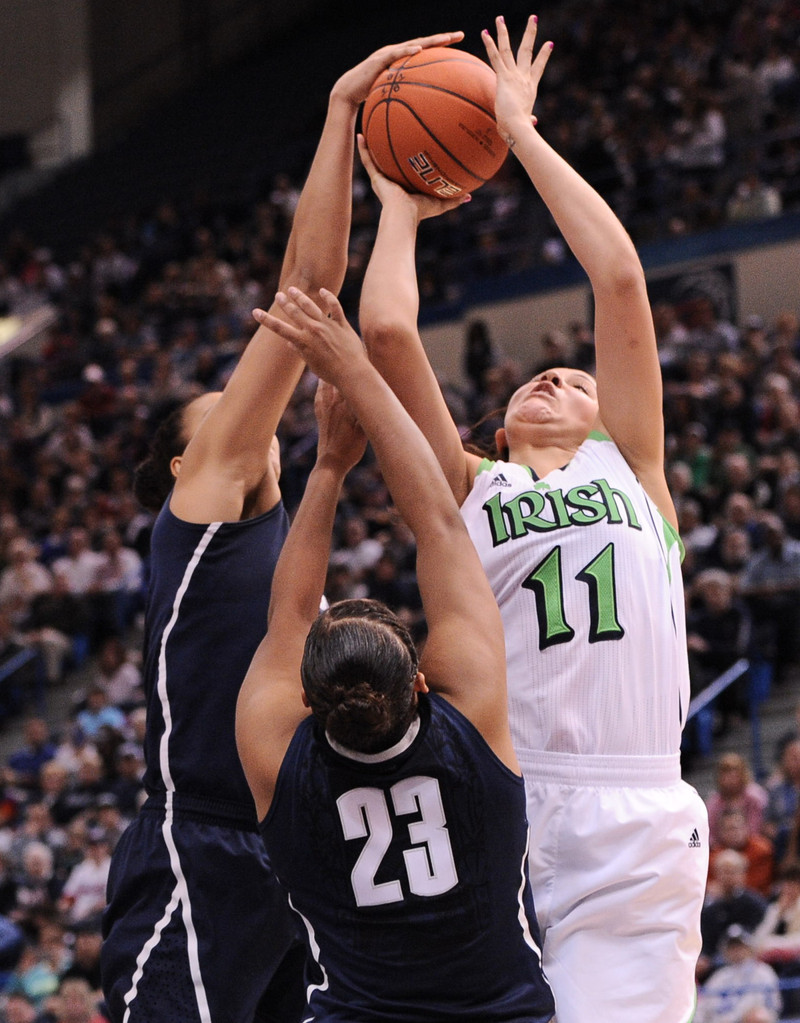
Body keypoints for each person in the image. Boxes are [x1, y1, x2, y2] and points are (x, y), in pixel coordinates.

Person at [100, 29, 466, 1023]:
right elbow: (307, 291)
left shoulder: (285, 522)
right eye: (214, 408)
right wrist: (342, 111)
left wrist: (335, 466)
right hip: (202, 843)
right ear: (181, 462)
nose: (238, 408)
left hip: (292, 847)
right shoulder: (200, 507)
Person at [358, 15, 708, 1023]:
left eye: (576, 376)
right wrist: (396, 205)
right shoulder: (472, 490)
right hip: (504, 797)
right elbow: (386, 330)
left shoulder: (635, 472)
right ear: (498, 433)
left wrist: (517, 129)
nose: (556, 371)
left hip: (634, 806)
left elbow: (619, 280)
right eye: (535, 377)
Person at [238, 286, 554, 1022]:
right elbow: (441, 522)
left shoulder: (274, 754)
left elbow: (286, 612)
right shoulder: (469, 715)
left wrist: (325, 468)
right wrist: (356, 374)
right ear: (420, 683)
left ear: (308, 706)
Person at [694, 924, 782, 1023]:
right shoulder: (720, 976)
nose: (736, 951)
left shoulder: (763, 971)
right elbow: (704, 1005)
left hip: (747, 1020)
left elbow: (767, 1006)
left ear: (749, 948)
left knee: (758, 1015)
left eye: (740, 946)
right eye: (732, 947)